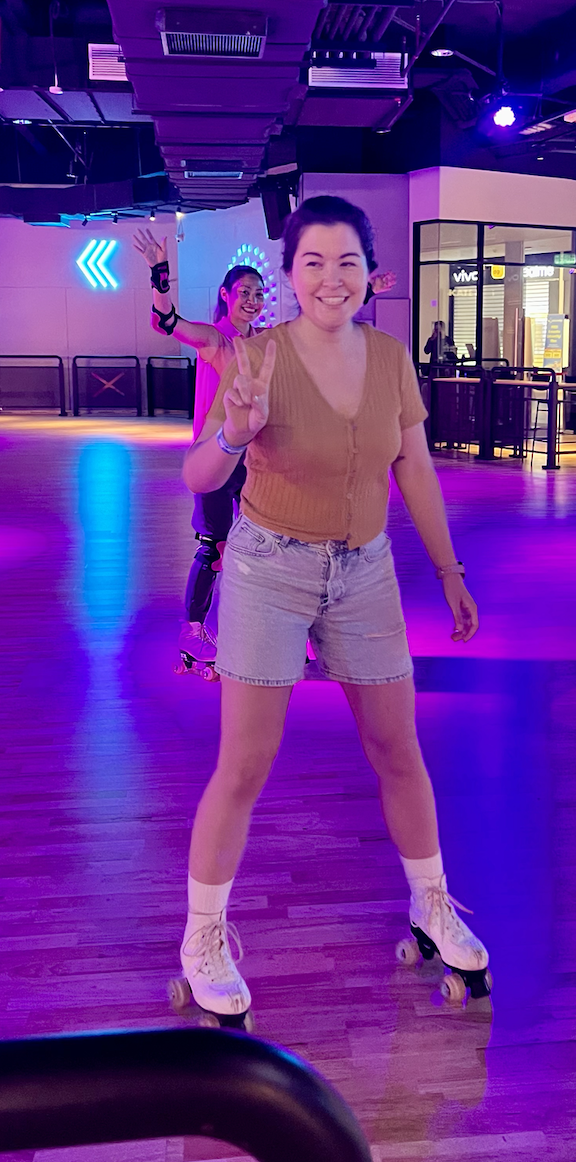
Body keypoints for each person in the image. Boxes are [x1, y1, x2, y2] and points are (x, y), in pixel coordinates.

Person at [177, 196, 489, 1022]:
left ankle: (432, 903)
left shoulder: (389, 358)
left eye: (346, 261)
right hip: (268, 568)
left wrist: (450, 571)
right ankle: (201, 938)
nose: (330, 278)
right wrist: (236, 430)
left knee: (398, 748)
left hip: (365, 571)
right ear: (289, 274)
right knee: (245, 763)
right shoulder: (257, 356)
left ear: (369, 273)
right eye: (312, 262)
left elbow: (414, 467)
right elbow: (199, 475)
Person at [133, 227, 265, 675]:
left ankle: (257, 628)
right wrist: (159, 273)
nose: (252, 300)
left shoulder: (263, 343)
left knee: (264, 545)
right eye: (244, 292)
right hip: (214, 459)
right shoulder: (215, 339)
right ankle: (192, 630)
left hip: (256, 461)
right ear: (226, 295)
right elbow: (168, 322)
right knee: (214, 545)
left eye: (258, 293)